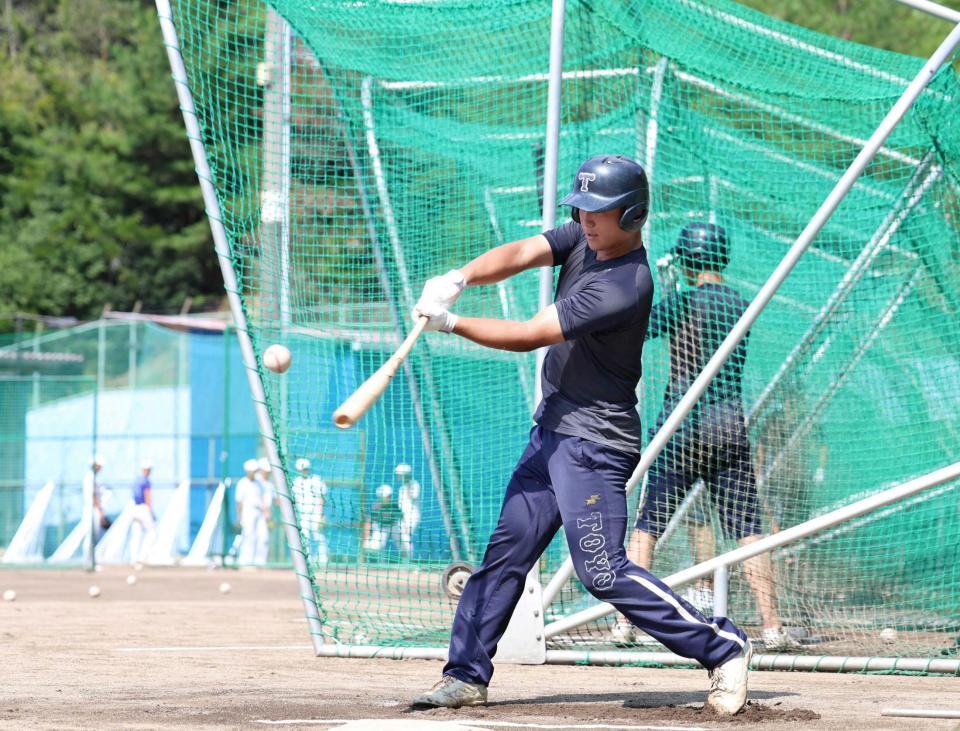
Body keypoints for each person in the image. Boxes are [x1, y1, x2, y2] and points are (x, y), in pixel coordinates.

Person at [409, 156, 752, 715]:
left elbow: (525, 335)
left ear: (633, 214)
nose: (584, 219)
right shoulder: (586, 238)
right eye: (580, 209)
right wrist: (460, 277)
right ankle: (466, 674)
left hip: (594, 443)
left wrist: (452, 323)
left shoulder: (624, 283)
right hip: (552, 431)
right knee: (506, 554)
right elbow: (523, 252)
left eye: (597, 212)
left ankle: (721, 646)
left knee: (601, 570)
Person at [620, 221, 798, 652]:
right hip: (726, 424)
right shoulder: (740, 304)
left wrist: (666, 287)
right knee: (748, 529)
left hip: (679, 424)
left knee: (647, 525)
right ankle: (771, 626)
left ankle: (625, 621)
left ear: (686, 259)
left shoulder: (680, 303)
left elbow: (643, 327)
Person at [292, 457, 329, 566]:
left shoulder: (316, 479)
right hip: (302, 513)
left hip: (316, 512)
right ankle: (307, 560)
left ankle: (323, 560)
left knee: (319, 536)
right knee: (305, 536)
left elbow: (322, 497)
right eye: (302, 469)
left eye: (306, 469)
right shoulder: (296, 482)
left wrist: (322, 515)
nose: (304, 471)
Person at [236, 458, 270, 566]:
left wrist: (266, 512)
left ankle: (260, 562)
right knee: (249, 536)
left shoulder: (259, 483)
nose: (254, 473)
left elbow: (263, 498)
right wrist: (240, 517)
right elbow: (239, 502)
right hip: (248, 511)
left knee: (263, 536)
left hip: (259, 512)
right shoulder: (242, 483)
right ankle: (245, 561)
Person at [128, 460, 156, 566]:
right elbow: (147, 496)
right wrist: (151, 511)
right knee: (152, 531)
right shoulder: (146, 481)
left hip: (134, 508)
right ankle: (143, 556)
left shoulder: (136, 480)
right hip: (143, 508)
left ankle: (134, 558)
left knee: (136, 532)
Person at [82, 454, 108, 559]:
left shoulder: (91, 477)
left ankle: (90, 559)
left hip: (92, 509)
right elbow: (94, 496)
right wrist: (100, 511)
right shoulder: (91, 477)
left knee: (93, 535)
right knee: (91, 535)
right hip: (92, 510)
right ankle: (89, 560)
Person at [363, 484, 402, 554]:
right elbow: (368, 522)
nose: (388, 498)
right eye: (386, 496)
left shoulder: (394, 505)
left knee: (405, 545)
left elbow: (401, 516)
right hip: (381, 527)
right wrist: (366, 537)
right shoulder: (375, 507)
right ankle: (381, 563)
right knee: (376, 547)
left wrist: (404, 528)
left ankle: (406, 562)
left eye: (389, 496)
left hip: (394, 526)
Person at [395, 463, 421, 559]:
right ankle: (404, 558)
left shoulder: (414, 484)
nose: (398, 477)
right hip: (403, 516)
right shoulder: (401, 488)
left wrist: (407, 485)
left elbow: (413, 497)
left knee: (406, 537)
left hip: (412, 515)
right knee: (398, 536)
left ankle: (409, 560)